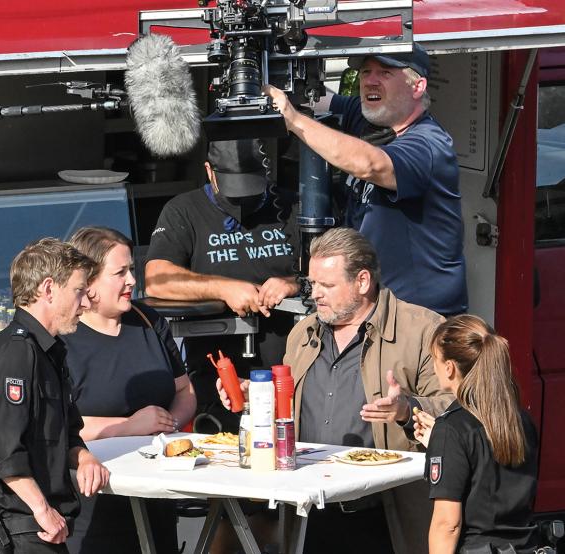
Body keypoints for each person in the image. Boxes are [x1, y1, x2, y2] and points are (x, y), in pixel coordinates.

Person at [218, 227, 453, 554]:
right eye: (313, 284)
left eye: (327, 285)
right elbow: (288, 406)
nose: (315, 294)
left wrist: (407, 408)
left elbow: (458, 408)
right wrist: (253, 398)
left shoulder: (422, 329)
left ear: (362, 281)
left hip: (385, 516)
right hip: (310, 514)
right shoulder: (302, 334)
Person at [263, 43, 468, 316]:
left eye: (385, 73)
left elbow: (369, 165)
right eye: (366, 71)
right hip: (374, 312)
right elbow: (315, 101)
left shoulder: (429, 145)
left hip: (420, 319)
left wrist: (293, 119)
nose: (370, 80)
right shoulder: (365, 118)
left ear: (417, 87)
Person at [146, 138, 300, 432]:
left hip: (287, 375)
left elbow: (338, 268)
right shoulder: (183, 210)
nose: (242, 197)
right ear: (209, 171)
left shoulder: (292, 205)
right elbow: (156, 279)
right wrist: (224, 288)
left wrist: (292, 284)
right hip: (218, 378)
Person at [62, 226, 197, 554]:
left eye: (131, 270)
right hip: (94, 501)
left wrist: (170, 426)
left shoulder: (148, 320)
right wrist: (128, 427)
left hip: (156, 495)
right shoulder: (64, 337)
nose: (132, 281)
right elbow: (58, 423)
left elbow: (185, 391)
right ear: (88, 281)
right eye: (120, 272)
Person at [0, 237, 110, 553]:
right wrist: (41, 509)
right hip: (23, 529)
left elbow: (65, 435)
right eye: (78, 291)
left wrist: (85, 457)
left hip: (43, 527)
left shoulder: (48, 352)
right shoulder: (16, 353)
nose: (86, 303)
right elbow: (3, 450)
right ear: (49, 289)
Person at [414, 315, 545, 554]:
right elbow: (489, 464)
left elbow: (447, 525)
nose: (433, 366)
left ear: (449, 367)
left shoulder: (451, 429)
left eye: (435, 359)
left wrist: (445, 442)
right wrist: (441, 444)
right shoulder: (519, 418)